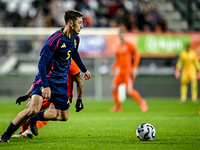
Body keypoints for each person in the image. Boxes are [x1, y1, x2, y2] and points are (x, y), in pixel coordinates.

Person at [0, 10, 91, 142]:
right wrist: (45, 86)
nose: (82, 26)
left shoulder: (76, 39)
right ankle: (5, 136)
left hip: (61, 82)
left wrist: (84, 69)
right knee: (33, 109)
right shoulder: (54, 40)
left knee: (63, 116)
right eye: (80, 23)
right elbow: (42, 64)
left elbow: (74, 53)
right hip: (46, 80)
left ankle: (34, 119)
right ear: (71, 23)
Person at [12, 59, 83, 138]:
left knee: (55, 113)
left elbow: (79, 80)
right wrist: (27, 95)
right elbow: (39, 79)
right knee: (29, 109)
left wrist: (79, 100)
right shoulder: (48, 59)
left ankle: (28, 129)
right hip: (46, 91)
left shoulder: (71, 62)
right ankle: (23, 132)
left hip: (62, 95)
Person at [110, 29, 148, 112]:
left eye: (122, 34)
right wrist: (113, 69)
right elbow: (118, 60)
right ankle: (118, 106)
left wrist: (135, 67)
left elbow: (137, 55)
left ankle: (142, 102)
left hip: (128, 71)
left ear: (125, 35)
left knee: (129, 91)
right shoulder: (119, 47)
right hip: (120, 71)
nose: (121, 36)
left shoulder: (129, 45)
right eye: (120, 35)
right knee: (113, 87)